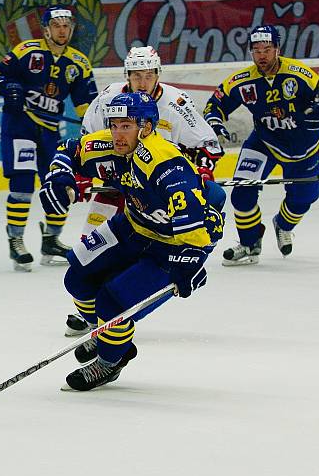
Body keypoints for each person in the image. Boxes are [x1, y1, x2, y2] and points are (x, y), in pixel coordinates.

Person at [38, 92, 226, 391]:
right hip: (134, 225)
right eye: (114, 124)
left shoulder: (163, 161)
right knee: (78, 277)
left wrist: (193, 257)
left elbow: (192, 215)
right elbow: (70, 149)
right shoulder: (111, 144)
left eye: (126, 125)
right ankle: (108, 334)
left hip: (175, 241)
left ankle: (112, 359)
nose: (116, 133)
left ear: (147, 127)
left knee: (112, 301)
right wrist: (59, 177)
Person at [63, 45, 223, 335]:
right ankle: (94, 313)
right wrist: (81, 176)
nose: (142, 82)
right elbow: (88, 140)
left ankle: (117, 307)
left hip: (160, 188)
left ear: (157, 74)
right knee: (89, 248)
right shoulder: (111, 97)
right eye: (136, 75)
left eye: (148, 75)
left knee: (155, 241)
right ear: (127, 75)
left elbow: (208, 146)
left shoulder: (176, 101)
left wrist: (199, 168)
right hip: (120, 179)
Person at [203, 25, 319, 266]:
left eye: (267, 49)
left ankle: (283, 225)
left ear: (278, 49)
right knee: (242, 194)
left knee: (304, 197)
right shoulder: (244, 81)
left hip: (303, 146)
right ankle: (249, 243)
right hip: (264, 142)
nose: (262, 55)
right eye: (256, 50)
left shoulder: (299, 74)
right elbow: (215, 105)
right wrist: (214, 123)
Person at [0, 5, 98, 271]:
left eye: (66, 26)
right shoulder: (27, 52)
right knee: (22, 184)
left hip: (50, 131)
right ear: (46, 29)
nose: (62, 30)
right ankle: (16, 241)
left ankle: (51, 240)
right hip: (19, 127)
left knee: (60, 183)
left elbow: (88, 106)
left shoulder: (79, 63)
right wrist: (7, 87)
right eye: (57, 26)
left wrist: (94, 129)